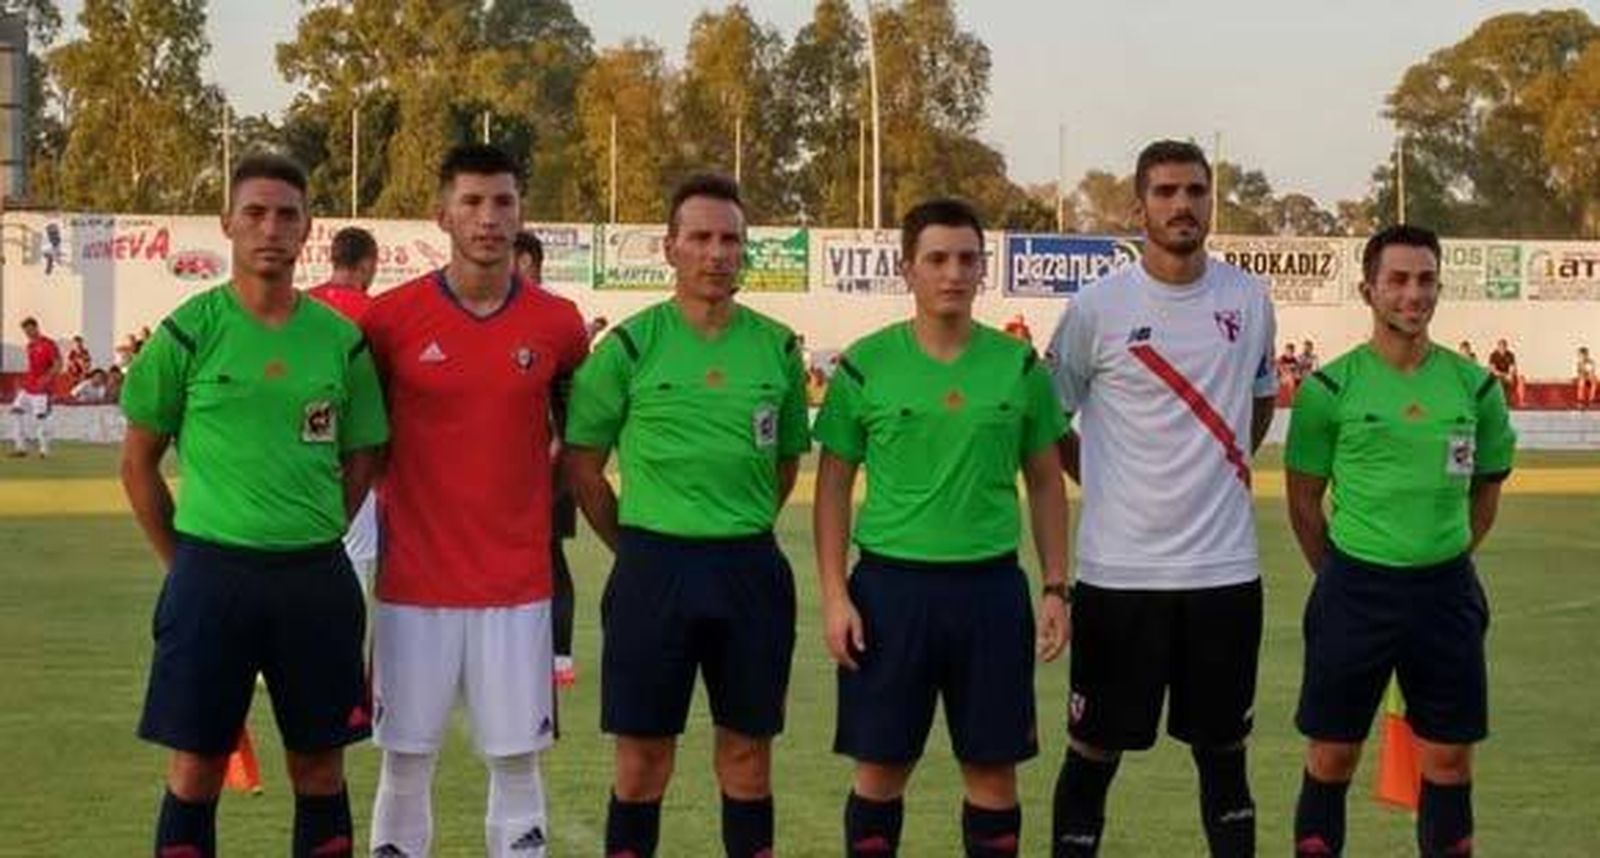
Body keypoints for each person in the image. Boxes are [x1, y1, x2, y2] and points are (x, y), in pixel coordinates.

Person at [119, 153, 388, 858]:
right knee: (197, 768)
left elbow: (364, 453)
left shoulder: (341, 340)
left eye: (286, 215)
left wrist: (321, 524)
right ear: (227, 224)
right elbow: (138, 462)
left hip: (315, 579)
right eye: (256, 213)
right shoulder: (189, 331)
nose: (271, 228)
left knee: (320, 769)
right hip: (211, 579)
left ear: (308, 228)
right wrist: (184, 561)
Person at [814, 198, 1070, 857]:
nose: (953, 273)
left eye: (966, 259)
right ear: (908, 269)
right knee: (880, 769)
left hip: (990, 592)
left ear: (983, 268)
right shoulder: (867, 364)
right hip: (889, 592)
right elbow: (833, 485)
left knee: (993, 773)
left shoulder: (1018, 366)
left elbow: (1046, 481)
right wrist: (836, 595)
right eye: (936, 259)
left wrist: (1055, 586)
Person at [1046, 140, 1279, 858]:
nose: (1183, 205)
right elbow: (1049, 421)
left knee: (1225, 755)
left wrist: (1222, 466)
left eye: (1196, 191)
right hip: (1120, 576)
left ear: (1212, 202)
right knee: (1092, 753)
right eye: (1167, 191)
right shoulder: (1095, 308)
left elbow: (1259, 402)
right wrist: (1105, 481)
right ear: (1138, 207)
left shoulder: (1248, 299)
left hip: (1224, 572)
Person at [565, 173, 810, 858]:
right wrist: (636, 547)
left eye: (730, 240)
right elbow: (583, 469)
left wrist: (734, 524)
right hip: (653, 571)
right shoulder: (630, 347)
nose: (716, 253)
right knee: (642, 762)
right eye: (700, 238)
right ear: (670, 247)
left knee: (748, 758)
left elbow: (785, 463)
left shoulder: (777, 348)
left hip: (749, 568)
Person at [363, 145, 589, 858]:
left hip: (517, 585)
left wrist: (530, 499)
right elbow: (362, 442)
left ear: (521, 214)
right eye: (472, 202)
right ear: (442, 214)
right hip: (412, 583)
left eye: (503, 202)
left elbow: (578, 443)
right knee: (404, 762)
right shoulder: (388, 321)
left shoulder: (559, 324)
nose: (488, 217)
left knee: (518, 762)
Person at [1286, 225, 1515, 858]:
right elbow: (1303, 501)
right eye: (1398, 280)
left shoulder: (1476, 389)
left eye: (1426, 280)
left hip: (1445, 594)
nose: (1413, 294)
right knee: (1333, 754)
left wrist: (1441, 554)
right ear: (1369, 290)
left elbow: (1486, 493)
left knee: (1448, 759)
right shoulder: (1328, 390)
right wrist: (1341, 576)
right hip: (1354, 591)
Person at [514, 229, 580, 689]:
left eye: (517, 264)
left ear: (532, 266)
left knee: (550, 556)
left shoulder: (557, 321)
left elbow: (576, 401)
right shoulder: (492, 319)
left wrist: (561, 449)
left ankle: (559, 655)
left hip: (551, 469)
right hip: (505, 473)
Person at [307, 226, 382, 590]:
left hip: (300, 450)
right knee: (353, 559)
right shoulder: (376, 313)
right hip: (356, 452)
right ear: (367, 264)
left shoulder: (299, 306)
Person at [9, 317, 61, 458]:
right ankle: (20, 448)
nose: (28, 333)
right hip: (28, 386)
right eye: (25, 331)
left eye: (29, 330)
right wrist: (23, 382)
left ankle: (44, 450)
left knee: (40, 417)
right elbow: (32, 368)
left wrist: (47, 379)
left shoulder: (48, 344)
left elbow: (58, 364)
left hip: (42, 389)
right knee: (16, 411)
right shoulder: (30, 346)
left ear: (36, 327)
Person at [1487, 339, 1524, 407]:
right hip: (1497, 375)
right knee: (1498, 381)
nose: (1502, 349)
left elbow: (1512, 367)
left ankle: (1519, 401)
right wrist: (1503, 375)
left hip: (1507, 375)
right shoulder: (1493, 355)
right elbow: (1493, 370)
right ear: (1498, 347)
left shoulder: (1510, 355)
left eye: (1504, 347)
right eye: (1501, 347)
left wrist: (1510, 375)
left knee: (1519, 379)